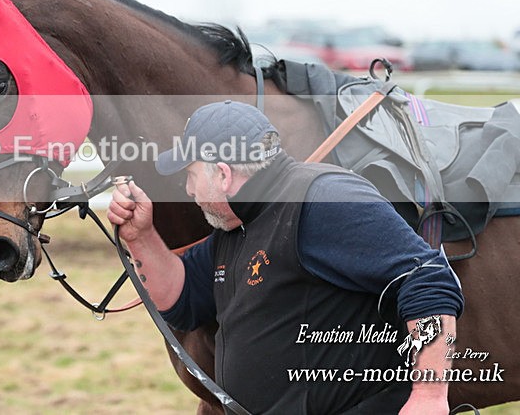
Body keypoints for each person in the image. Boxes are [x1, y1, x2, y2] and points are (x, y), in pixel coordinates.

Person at [108, 100, 464, 415]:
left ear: (223, 174)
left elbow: (427, 278)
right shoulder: (237, 224)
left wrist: (429, 397)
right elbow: (183, 300)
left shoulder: (323, 200)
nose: (189, 191)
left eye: (191, 175)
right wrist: (141, 237)